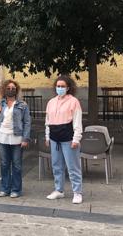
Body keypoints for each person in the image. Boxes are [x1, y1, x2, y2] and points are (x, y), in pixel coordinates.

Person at [0, 80, 31, 198]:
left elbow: (27, 122)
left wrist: (25, 138)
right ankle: (5, 189)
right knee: (4, 163)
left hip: (17, 138)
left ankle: (16, 189)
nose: (11, 90)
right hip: (2, 137)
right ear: (4, 89)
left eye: (13, 88)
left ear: (16, 90)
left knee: (16, 164)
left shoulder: (23, 105)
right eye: (8, 87)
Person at [45, 75, 83, 204]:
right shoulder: (51, 102)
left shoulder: (73, 101)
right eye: (58, 86)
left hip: (68, 137)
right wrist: (47, 136)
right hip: (55, 138)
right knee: (57, 166)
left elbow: (77, 121)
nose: (60, 88)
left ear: (68, 88)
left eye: (62, 86)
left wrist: (76, 139)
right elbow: (48, 121)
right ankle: (59, 190)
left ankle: (77, 192)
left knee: (73, 167)